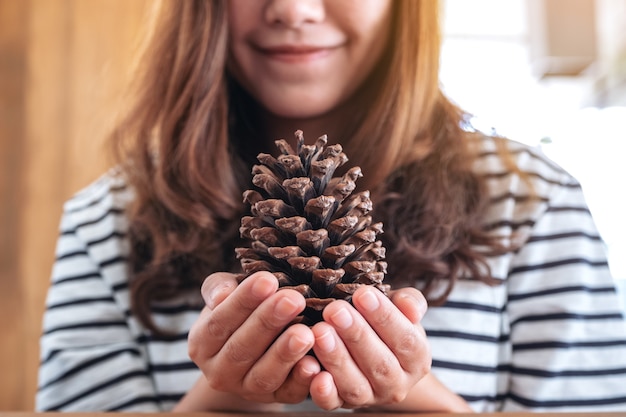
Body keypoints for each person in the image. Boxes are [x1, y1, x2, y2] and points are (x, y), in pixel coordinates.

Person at [36, 0, 626, 413]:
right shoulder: (103, 225)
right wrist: (223, 401)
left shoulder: (536, 202)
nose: (294, 9)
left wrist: (419, 402)